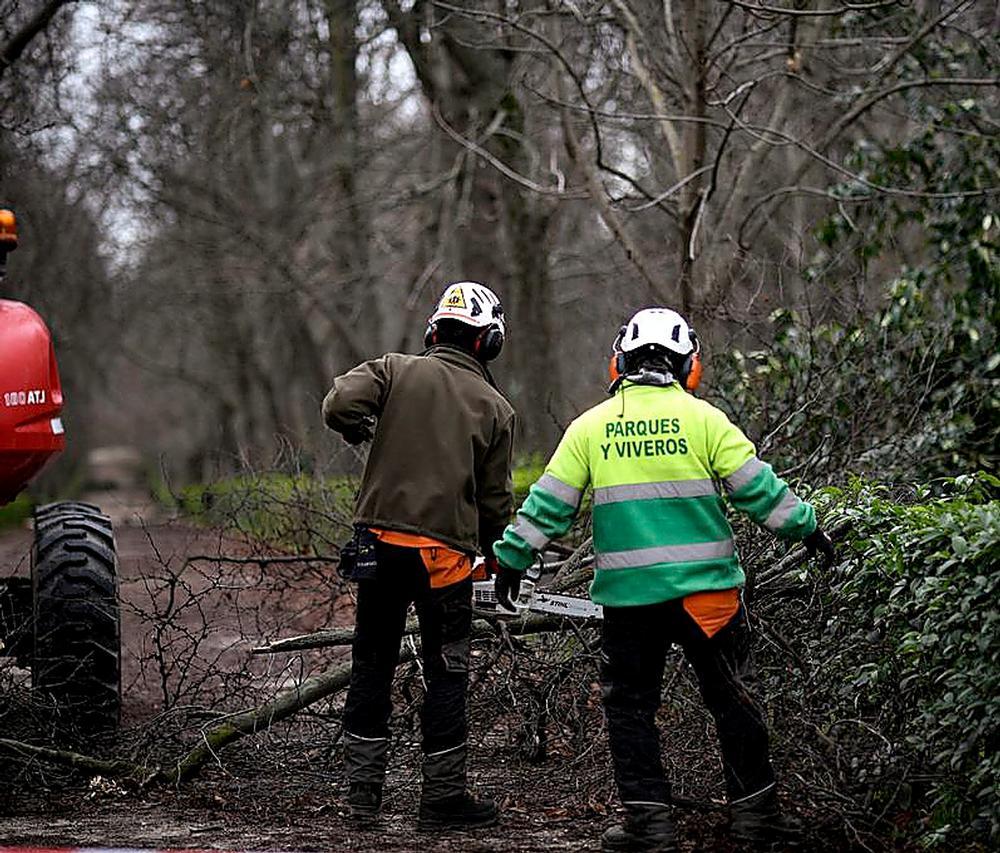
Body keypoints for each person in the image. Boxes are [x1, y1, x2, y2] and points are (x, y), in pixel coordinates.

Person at [493, 308, 835, 851]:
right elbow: (759, 491)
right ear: (687, 365)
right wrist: (808, 529)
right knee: (733, 702)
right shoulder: (706, 421)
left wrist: (511, 559)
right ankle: (756, 818)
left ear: (620, 360)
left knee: (631, 708)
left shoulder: (590, 428)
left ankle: (649, 827)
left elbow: (548, 507)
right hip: (710, 599)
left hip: (632, 605)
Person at [322, 281, 515, 830]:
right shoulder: (496, 408)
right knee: (447, 673)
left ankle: (363, 802)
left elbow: (338, 403)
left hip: (375, 547)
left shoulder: (392, 369)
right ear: (489, 343)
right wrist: (501, 562)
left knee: (371, 666)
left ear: (435, 331)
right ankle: (442, 802)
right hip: (443, 559)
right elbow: (496, 503)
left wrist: (359, 428)